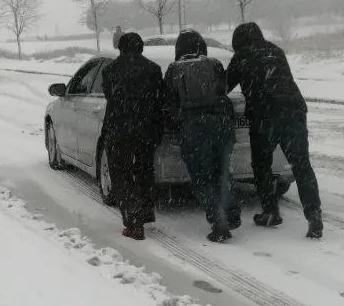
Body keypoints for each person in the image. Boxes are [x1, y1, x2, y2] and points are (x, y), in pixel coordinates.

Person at [226, 22, 323, 239]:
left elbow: (224, 86)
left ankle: (270, 211)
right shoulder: (276, 51)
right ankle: (314, 215)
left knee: (261, 166)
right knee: (301, 165)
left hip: (265, 116)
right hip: (294, 111)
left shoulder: (241, 57)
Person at [164, 30, 241, 243]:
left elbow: (168, 102)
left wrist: (176, 122)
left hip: (194, 129)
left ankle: (219, 223)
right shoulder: (214, 64)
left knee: (202, 178)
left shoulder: (174, 69)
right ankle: (232, 212)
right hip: (222, 126)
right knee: (222, 171)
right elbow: (223, 91)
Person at [100, 32, 165, 240]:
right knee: (144, 169)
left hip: (118, 129)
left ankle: (134, 223)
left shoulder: (110, 70)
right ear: (141, 47)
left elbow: (109, 94)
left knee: (122, 175)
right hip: (147, 129)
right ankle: (146, 210)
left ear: (120, 48)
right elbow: (159, 98)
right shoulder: (153, 69)